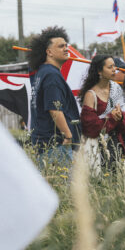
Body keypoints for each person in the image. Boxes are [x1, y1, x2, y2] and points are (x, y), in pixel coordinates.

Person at [29, 26, 81, 164]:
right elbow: (55, 109)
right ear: (49, 52)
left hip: (44, 143)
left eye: (66, 45)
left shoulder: (42, 72)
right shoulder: (52, 75)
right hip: (56, 144)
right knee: (62, 184)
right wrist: (68, 135)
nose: (66, 49)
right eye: (60, 46)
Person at [79, 55, 125, 170]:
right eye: (110, 67)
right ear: (99, 71)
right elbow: (89, 128)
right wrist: (111, 118)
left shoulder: (116, 89)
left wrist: (120, 118)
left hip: (115, 145)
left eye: (114, 66)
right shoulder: (91, 95)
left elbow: (124, 125)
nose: (114, 70)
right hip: (97, 148)